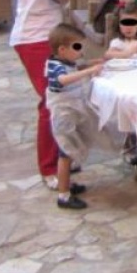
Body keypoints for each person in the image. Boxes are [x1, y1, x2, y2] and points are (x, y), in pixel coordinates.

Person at [9, 0, 95, 190]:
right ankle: (49, 169)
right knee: (51, 101)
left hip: (51, 36)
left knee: (62, 100)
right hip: (33, 38)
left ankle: (63, 160)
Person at [44, 23, 105, 210]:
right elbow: (62, 80)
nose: (81, 51)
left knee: (70, 153)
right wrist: (87, 72)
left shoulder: (68, 62)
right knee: (65, 153)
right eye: (77, 47)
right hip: (64, 116)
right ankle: (64, 195)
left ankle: (67, 184)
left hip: (73, 114)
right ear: (62, 50)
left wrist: (97, 63)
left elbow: (81, 65)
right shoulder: (55, 66)